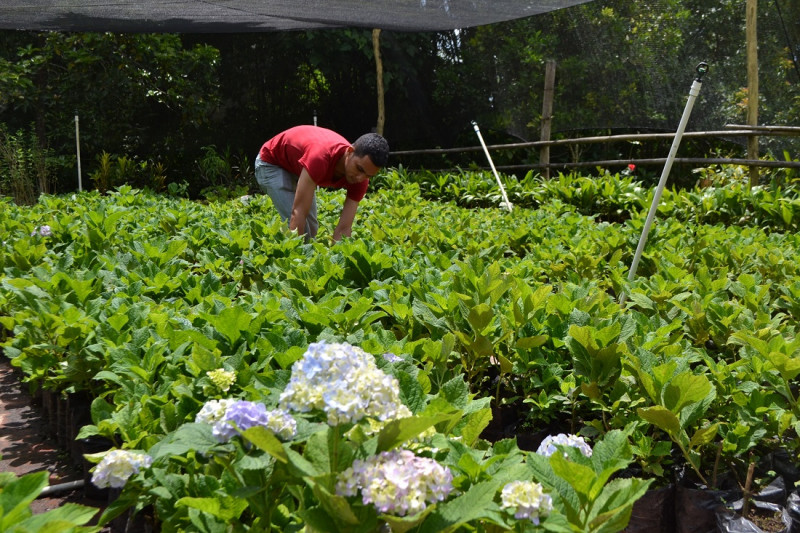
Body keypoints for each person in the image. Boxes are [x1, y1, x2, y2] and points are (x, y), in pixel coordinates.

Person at [254, 125, 389, 241]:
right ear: (350, 152)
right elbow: (298, 212)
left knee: (311, 229)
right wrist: (298, 263)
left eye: (368, 175)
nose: (360, 178)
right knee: (298, 226)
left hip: (298, 166)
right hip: (271, 162)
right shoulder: (320, 158)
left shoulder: (361, 180)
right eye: (359, 169)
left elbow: (344, 227)